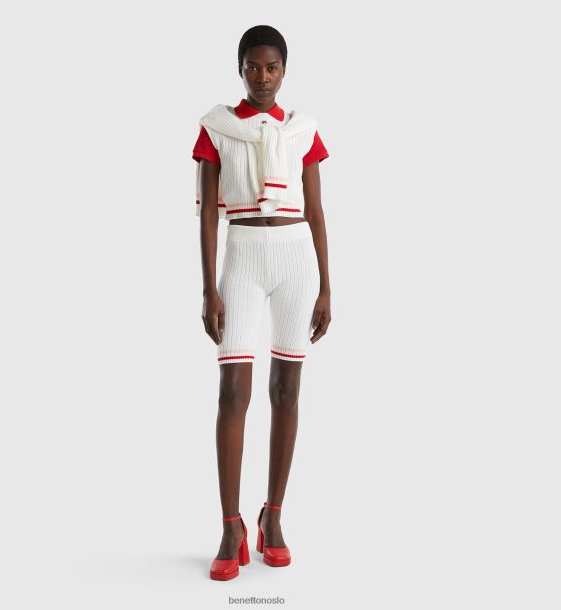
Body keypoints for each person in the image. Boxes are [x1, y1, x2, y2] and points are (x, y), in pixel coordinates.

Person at [194, 25, 332, 581]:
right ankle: (231, 527)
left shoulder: (302, 130)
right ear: (240, 68)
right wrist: (209, 287)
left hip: (297, 258)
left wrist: (327, 286)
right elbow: (207, 215)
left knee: (287, 390)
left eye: (272, 67)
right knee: (234, 392)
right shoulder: (217, 128)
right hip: (244, 257)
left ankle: (272, 517)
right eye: (253, 66)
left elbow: (316, 212)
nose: (263, 77)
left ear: (284, 70)